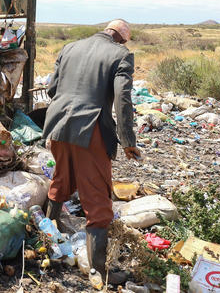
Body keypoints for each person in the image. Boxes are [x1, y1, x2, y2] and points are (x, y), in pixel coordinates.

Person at [43, 19, 141, 285]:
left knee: (61, 180)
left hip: (57, 125)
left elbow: (52, 88)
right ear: (121, 38)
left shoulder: (70, 47)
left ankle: (45, 244)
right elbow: (122, 98)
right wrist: (127, 140)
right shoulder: (120, 54)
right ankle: (101, 270)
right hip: (90, 129)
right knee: (97, 197)